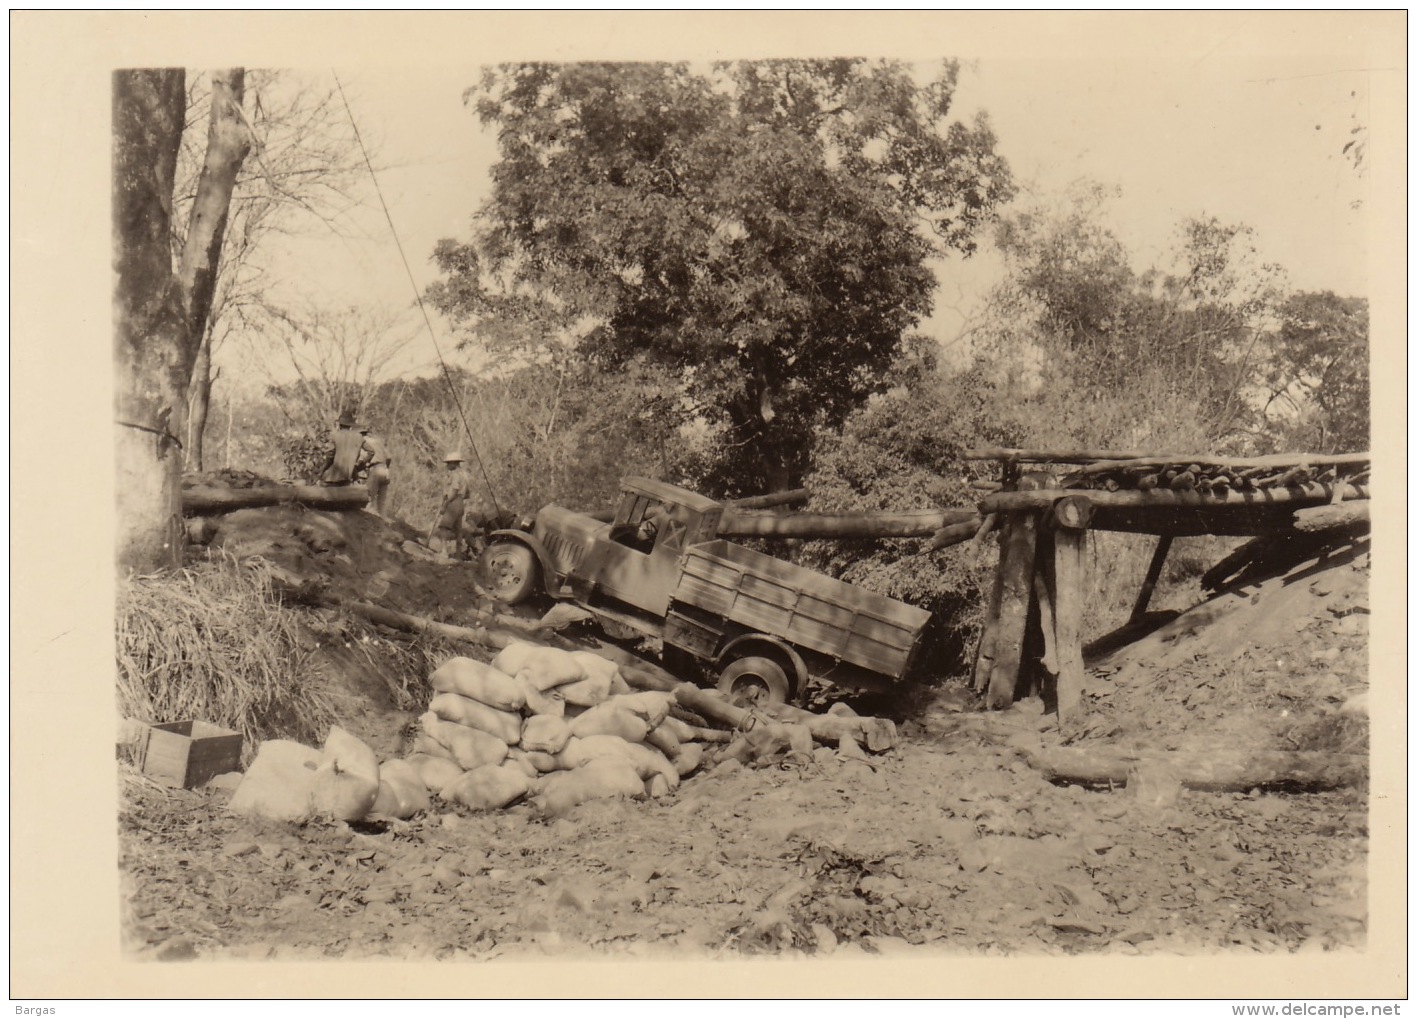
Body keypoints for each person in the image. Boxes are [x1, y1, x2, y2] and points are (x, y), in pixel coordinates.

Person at [429, 452, 471, 556]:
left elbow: (454, 491)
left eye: (449, 463)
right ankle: (458, 553)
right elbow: (468, 493)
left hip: (454, 501)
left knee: (443, 526)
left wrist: (445, 504)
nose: (447, 466)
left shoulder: (456, 474)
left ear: (454, 463)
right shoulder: (464, 475)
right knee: (458, 529)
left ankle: (444, 551)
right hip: (461, 502)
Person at [318, 409, 373, 485]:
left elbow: (330, 456)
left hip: (334, 476)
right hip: (349, 475)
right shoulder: (358, 436)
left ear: (340, 425)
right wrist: (359, 466)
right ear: (350, 425)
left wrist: (323, 470)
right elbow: (371, 451)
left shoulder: (335, 436)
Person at [359, 425, 392, 517]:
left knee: (369, 498)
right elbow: (389, 457)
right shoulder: (378, 441)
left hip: (375, 469)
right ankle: (383, 526)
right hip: (385, 469)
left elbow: (362, 460)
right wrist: (386, 468)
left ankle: (366, 524)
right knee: (381, 503)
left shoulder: (363, 442)